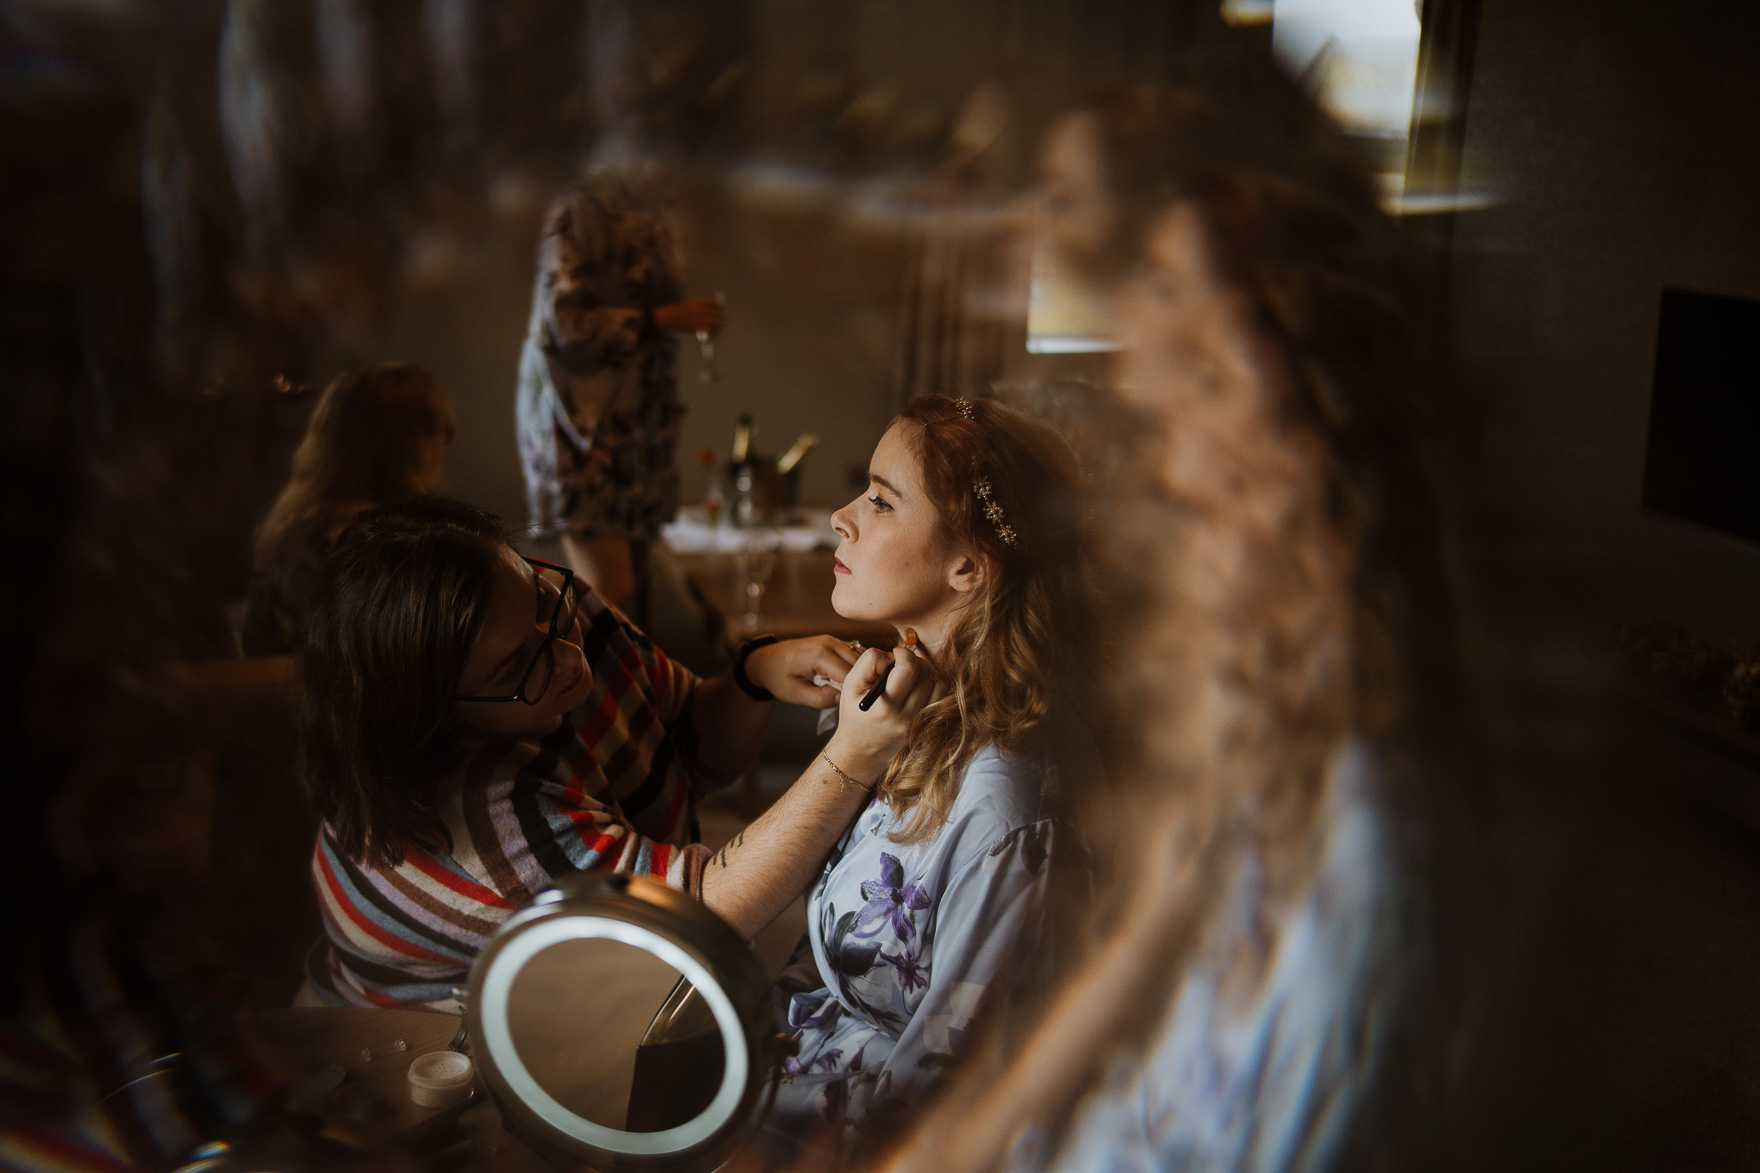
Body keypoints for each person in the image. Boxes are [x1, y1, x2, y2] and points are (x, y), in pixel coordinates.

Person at [881, 69, 1469, 1173]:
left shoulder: (1366, 862)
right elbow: (1141, 945)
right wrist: (949, 1143)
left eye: (1199, 373)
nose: (1163, 454)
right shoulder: (1246, 699)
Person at [296, 495, 935, 1010]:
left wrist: (750, 675)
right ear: (440, 715)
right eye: (519, 670)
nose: (573, 660)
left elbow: (685, 746)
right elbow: (697, 914)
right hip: (423, 1040)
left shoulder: (545, 614)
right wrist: (851, 758)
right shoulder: (479, 819)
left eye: (546, 601)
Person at [765, 394, 1100, 1149]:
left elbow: (943, 1098)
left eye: (881, 500)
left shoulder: (1006, 807)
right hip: (816, 1068)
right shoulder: (905, 707)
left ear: (968, 567)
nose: (840, 516)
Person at [516, 169, 724, 618]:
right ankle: (593, 687)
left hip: (637, 432)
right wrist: (663, 319)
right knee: (612, 602)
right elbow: (563, 325)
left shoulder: (658, 210)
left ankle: (641, 689)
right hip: (583, 428)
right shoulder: (582, 210)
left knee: (638, 600)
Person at [242, 362, 454, 655]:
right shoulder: (372, 544)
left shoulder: (291, 527)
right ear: (408, 448)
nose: (442, 449)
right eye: (439, 432)